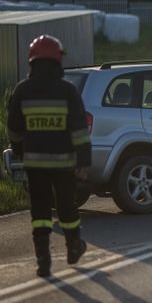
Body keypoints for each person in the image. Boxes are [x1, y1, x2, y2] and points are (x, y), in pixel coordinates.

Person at [6, 35, 91, 277]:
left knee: (41, 213)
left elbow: (13, 127)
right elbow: (79, 129)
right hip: (64, 164)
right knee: (66, 207)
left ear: (32, 62)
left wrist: (19, 150)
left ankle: (43, 261)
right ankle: (74, 245)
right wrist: (83, 160)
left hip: (34, 164)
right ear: (57, 61)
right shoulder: (67, 91)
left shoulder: (23, 90)